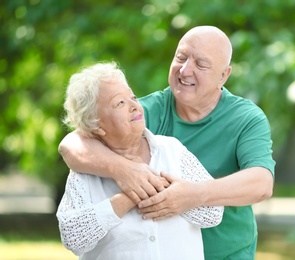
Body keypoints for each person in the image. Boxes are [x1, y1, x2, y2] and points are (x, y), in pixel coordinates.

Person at [59, 26, 275, 259]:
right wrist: (125, 171)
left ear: (223, 75)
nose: (185, 70)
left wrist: (193, 195)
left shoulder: (245, 118)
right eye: (181, 58)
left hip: (228, 253)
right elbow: (72, 143)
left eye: (201, 64)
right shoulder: (147, 111)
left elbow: (261, 184)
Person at [56, 62, 223, 260]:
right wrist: (127, 197)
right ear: (96, 124)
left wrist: (174, 195)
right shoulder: (84, 171)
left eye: (133, 97)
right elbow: (73, 238)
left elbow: (214, 213)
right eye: (120, 103)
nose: (134, 106)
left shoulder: (172, 150)